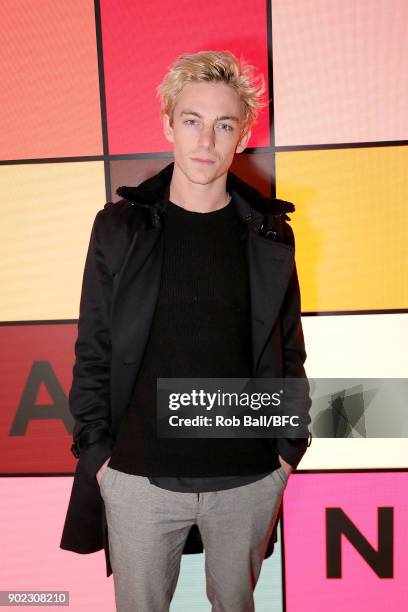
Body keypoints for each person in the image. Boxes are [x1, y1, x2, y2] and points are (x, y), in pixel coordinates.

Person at [60, 50, 312, 611]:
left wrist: (286, 451)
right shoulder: (120, 229)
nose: (206, 140)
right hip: (138, 480)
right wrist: (99, 455)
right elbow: (93, 347)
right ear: (168, 125)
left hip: (247, 478)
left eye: (224, 125)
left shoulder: (269, 235)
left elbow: (288, 349)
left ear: (242, 135)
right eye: (192, 121)